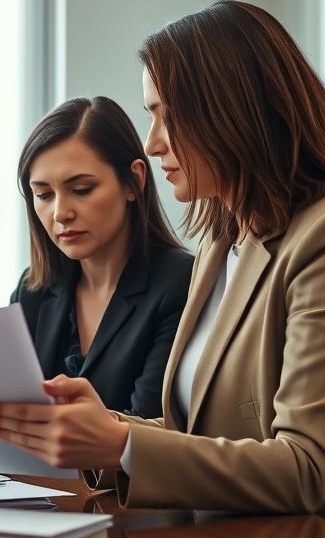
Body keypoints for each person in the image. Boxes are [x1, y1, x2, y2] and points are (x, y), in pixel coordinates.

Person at [0, 1, 325, 538]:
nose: (152, 143)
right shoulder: (223, 243)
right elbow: (197, 435)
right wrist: (110, 429)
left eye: (167, 115)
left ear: (234, 112)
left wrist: (118, 443)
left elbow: (305, 468)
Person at [11, 96, 192, 419]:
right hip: (30, 472)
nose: (61, 213)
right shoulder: (33, 290)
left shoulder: (180, 283)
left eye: (81, 189)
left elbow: (151, 428)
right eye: (43, 195)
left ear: (134, 182)